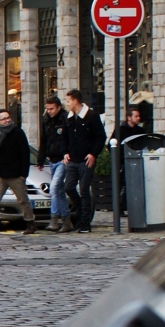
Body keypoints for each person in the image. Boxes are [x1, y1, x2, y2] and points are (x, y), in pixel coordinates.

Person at [0, 108, 36, 235]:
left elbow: (24, 153)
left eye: (8, 117)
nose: (7, 120)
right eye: (4, 118)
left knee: (22, 199)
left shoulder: (17, 132)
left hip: (15, 173)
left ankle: (30, 222)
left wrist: (23, 173)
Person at [61, 89, 106, 234]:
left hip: (86, 159)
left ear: (75, 101)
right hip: (73, 159)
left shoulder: (91, 116)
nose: (67, 104)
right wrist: (65, 152)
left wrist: (93, 154)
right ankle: (80, 215)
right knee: (68, 187)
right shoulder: (68, 118)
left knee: (84, 190)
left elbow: (100, 137)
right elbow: (65, 137)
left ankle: (85, 222)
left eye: (68, 101)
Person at [41, 95, 71, 232]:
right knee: (58, 191)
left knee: (53, 189)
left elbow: (68, 139)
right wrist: (41, 158)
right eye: (48, 109)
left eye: (52, 109)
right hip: (52, 159)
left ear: (59, 107)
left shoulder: (65, 119)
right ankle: (66, 220)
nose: (49, 111)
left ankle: (54, 219)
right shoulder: (46, 120)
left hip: (62, 159)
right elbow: (44, 140)